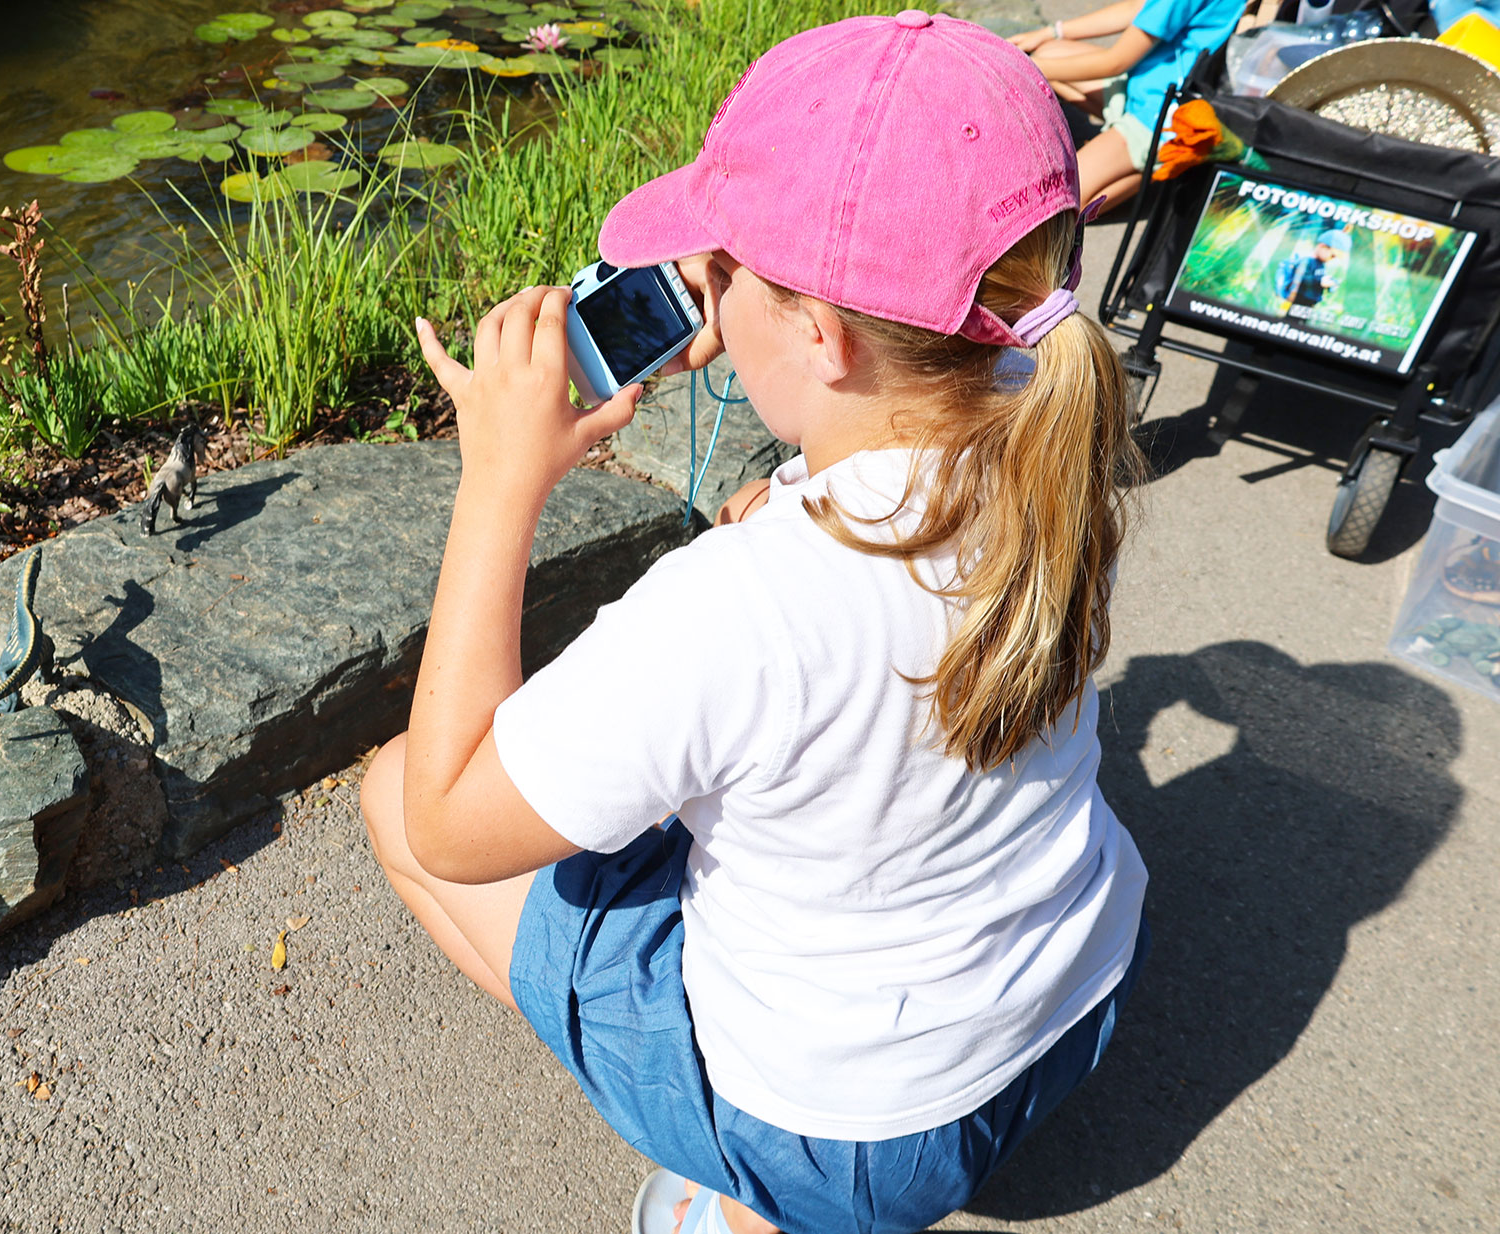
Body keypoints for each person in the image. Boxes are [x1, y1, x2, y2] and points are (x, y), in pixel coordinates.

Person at [359, 13, 1149, 1234]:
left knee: (394, 787)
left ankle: (747, 1204)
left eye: (723, 274)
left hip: (847, 1145)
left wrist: (496, 483)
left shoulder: (742, 608)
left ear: (821, 337)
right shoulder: (1048, 415)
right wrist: (787, 454)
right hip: (1071, 1010)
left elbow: (454, 826)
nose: (707, 313)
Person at [1009, 0, 1246, 211]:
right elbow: (1138, 7)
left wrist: (1016, 65)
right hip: (1150, 86)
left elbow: (1114, 62)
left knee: (1048, 207)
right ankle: (1138, 163)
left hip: (1162, 118)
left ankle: (1156, 164)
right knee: (1049, 52)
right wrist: (1052, 32)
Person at [1275, 227, 1352, 311]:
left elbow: (1320, 276)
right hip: (1299, 300)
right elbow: (1301, 278)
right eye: (1332, 256)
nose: (1332, 259)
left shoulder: (1320, 264)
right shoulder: (1307, 261)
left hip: (1310, 302)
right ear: (1322, 246)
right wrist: (1319, 282)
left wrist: (1331, 283)